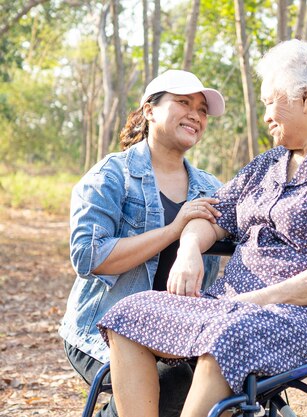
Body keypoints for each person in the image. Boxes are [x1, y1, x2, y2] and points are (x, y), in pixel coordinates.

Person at [97, 40, 307, 417]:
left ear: (304, 98)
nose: (265, 115)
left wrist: (261, 299)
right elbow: (209, 215)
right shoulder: (265, 165)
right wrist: (188, 249)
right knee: (129, 313)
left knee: (230, 336)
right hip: (231, 304)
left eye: (270, 101)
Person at [59, 70, 226, 417]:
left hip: (180, 334)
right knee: (174, 385)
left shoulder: (211, 189)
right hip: (104, 331)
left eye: (202, 109)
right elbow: (89, 256)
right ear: (149, 110)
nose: (195, 114)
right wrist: (173, 230)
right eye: (183, 103)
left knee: (228, 382)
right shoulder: (111, 175)